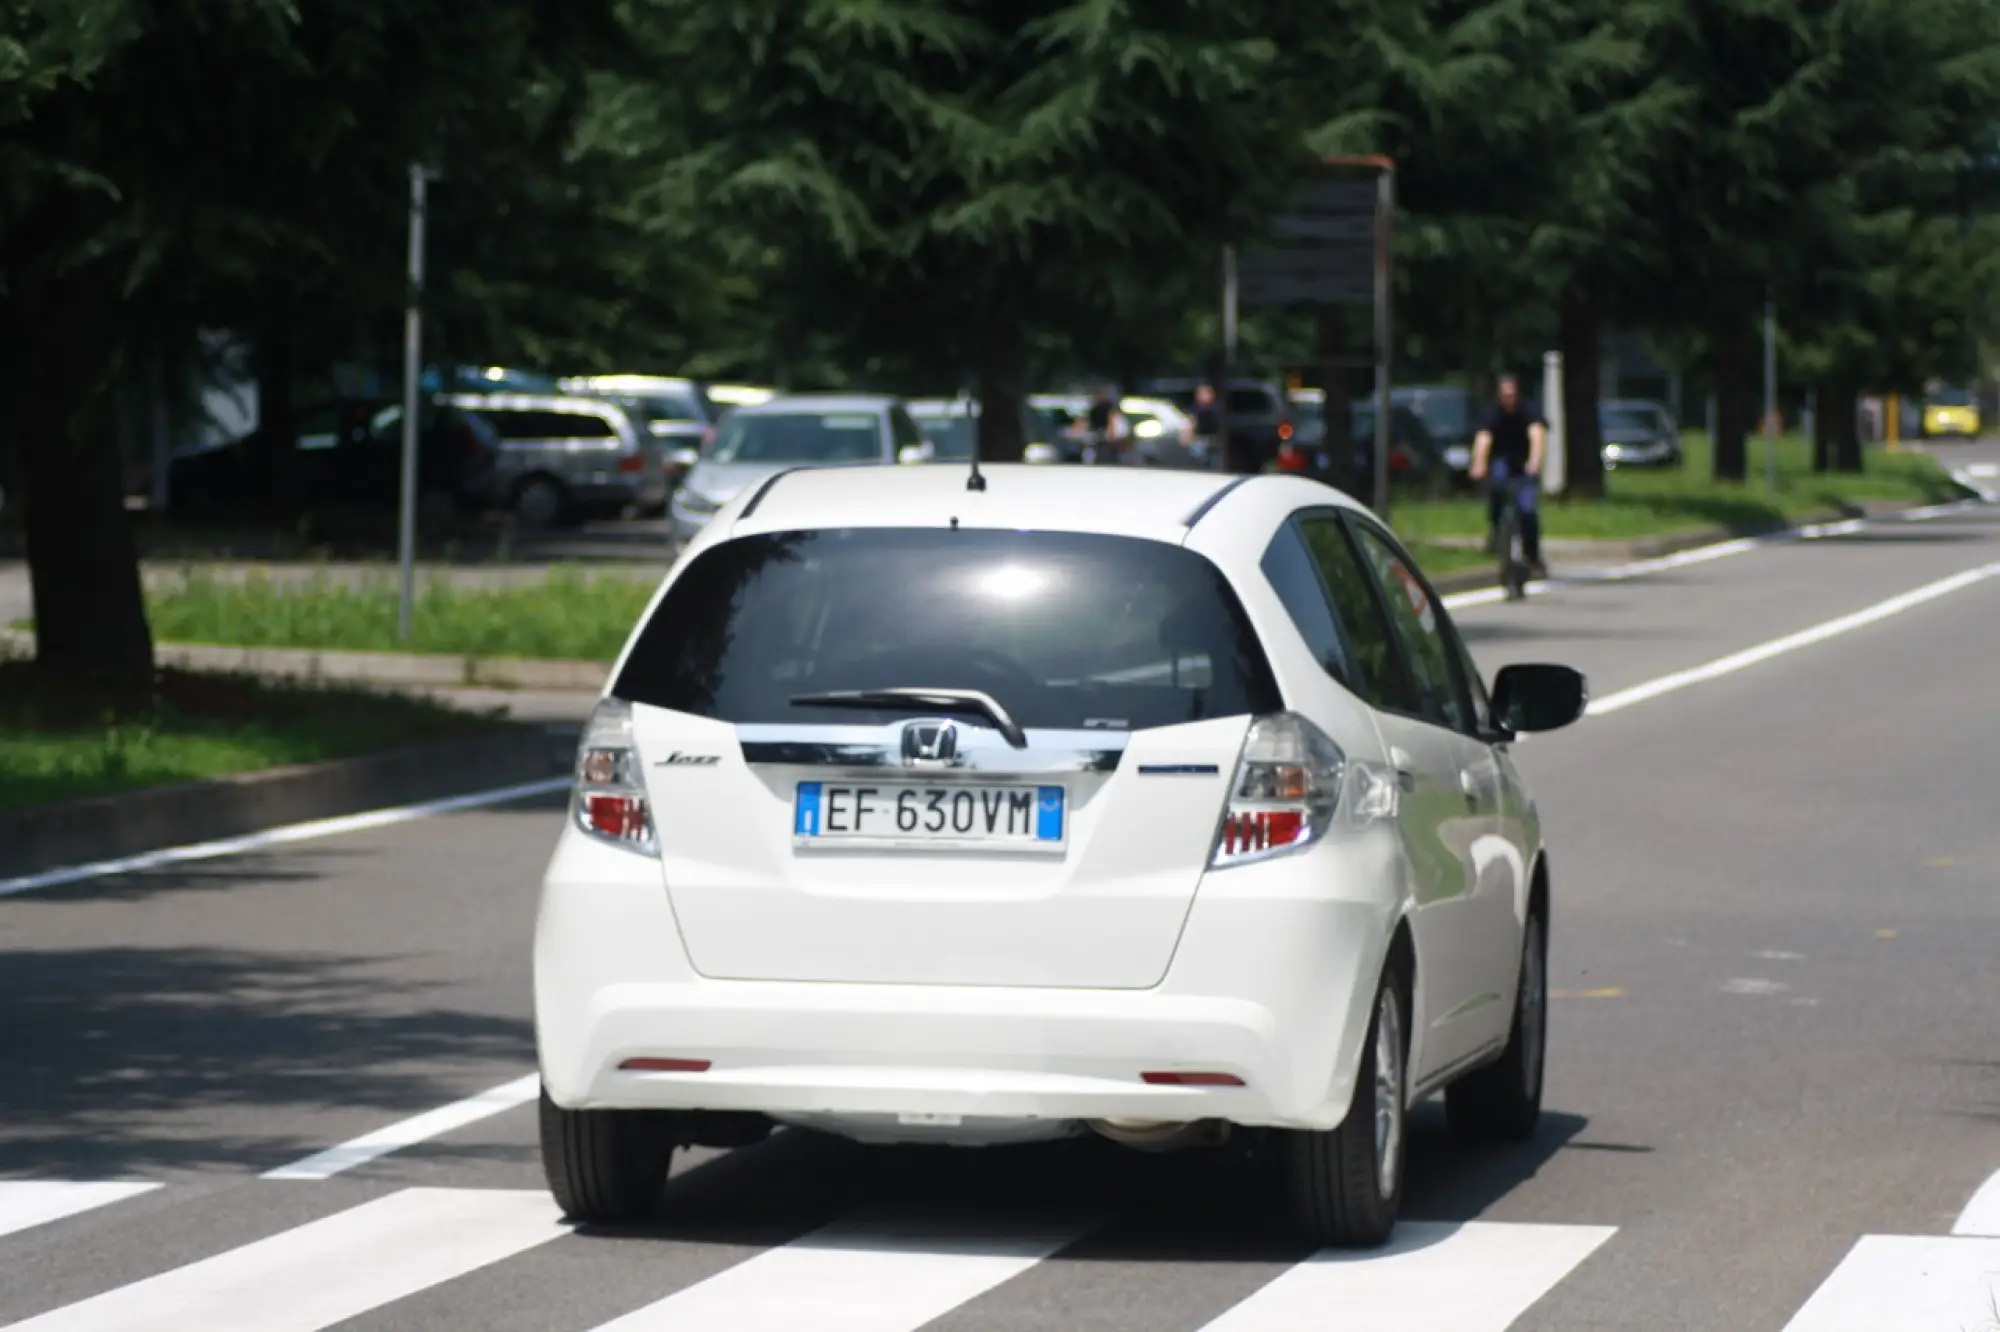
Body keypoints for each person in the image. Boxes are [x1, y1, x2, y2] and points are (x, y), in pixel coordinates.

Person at [1467, 374, 1547, 577]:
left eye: (1511, 394)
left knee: (1527, 509)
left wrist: (1535, 461)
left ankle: (1533, 554)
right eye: (1505, 395)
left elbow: (1537, 434)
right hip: (1502, 461)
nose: (1508, 398)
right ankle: (1496, 531)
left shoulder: (1527, 410)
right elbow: (1484, 438)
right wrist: (1478, 463)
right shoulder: (1493, 412)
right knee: (1497, 487)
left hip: (1523, 464)